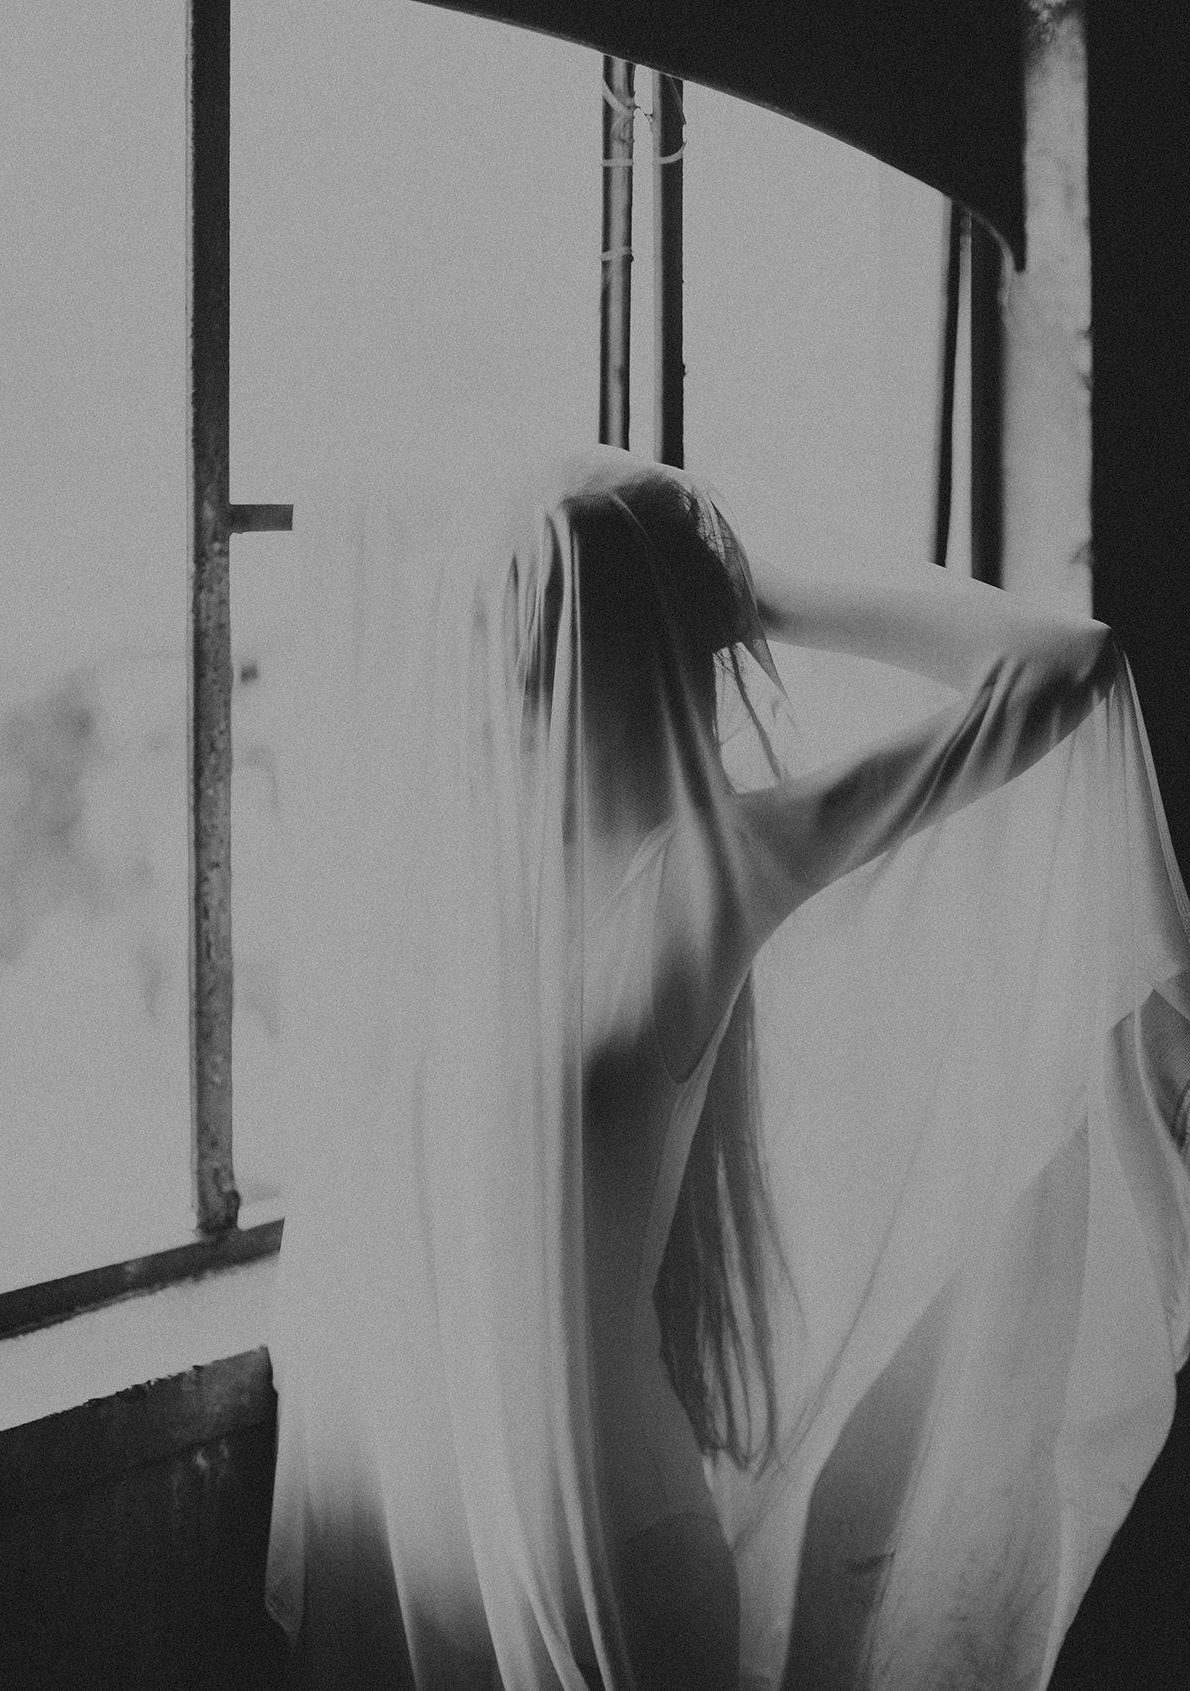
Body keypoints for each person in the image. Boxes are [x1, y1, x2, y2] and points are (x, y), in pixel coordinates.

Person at [266, 448, 1190, 1691]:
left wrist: (739, 588)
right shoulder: (444, 899)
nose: (501, 659)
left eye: (537, 619)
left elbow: (1065, 664)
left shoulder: (704, 873)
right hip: (431, 1547)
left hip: (618, 1554)